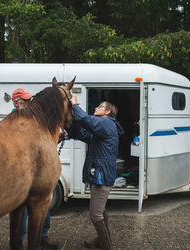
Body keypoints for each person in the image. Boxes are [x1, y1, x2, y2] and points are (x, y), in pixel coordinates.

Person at [69, 96, 124, 250]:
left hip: (102, 176)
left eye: (99, 107)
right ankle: (100, 240)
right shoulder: (102, 129)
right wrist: (72, 125)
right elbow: (83, 134)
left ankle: (107, 246)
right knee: (101, 210)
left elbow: (85, 119)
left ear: (107, 112)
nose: (95, 108)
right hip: (100, 174)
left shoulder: (107, 123)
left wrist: (75, 104)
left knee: (96, 215)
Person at [11, 88, 59, 249]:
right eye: (25, 99)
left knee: (43, 203)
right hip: (23, 170)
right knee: (21, 209)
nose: (29, 102)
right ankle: (22, 240)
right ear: (16, 102)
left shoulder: (34, 116)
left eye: (29, 98)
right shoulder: (13, 119)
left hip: (38, 168)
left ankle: (42, 236)